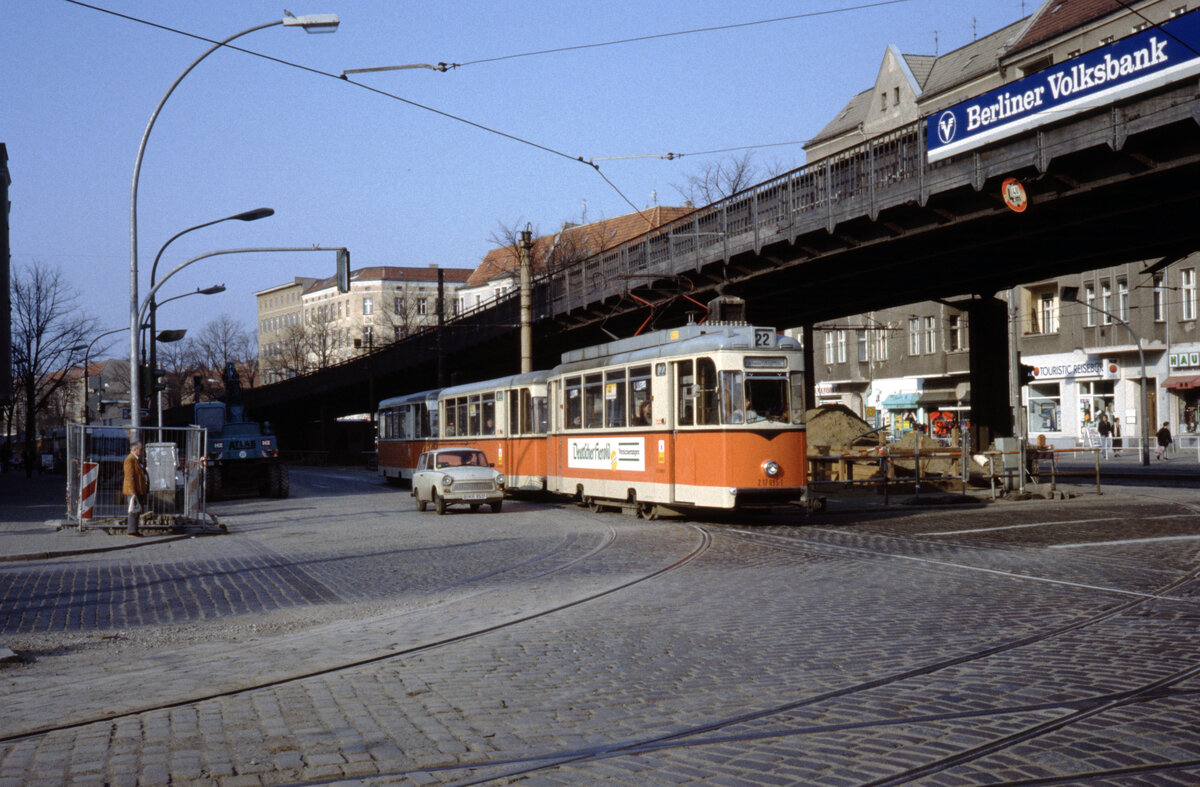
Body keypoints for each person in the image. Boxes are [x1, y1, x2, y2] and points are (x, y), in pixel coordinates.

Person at [123, 441, 148, 537]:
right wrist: (133, 490)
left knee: (137, 510)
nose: (142, 452)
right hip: (133, 490)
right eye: (140, 450)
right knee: (133, 510)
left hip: (138, 489)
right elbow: (130, 476)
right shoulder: (130, 460)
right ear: (134, 449)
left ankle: (135, 530)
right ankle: (132, 531)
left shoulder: (136, 460)